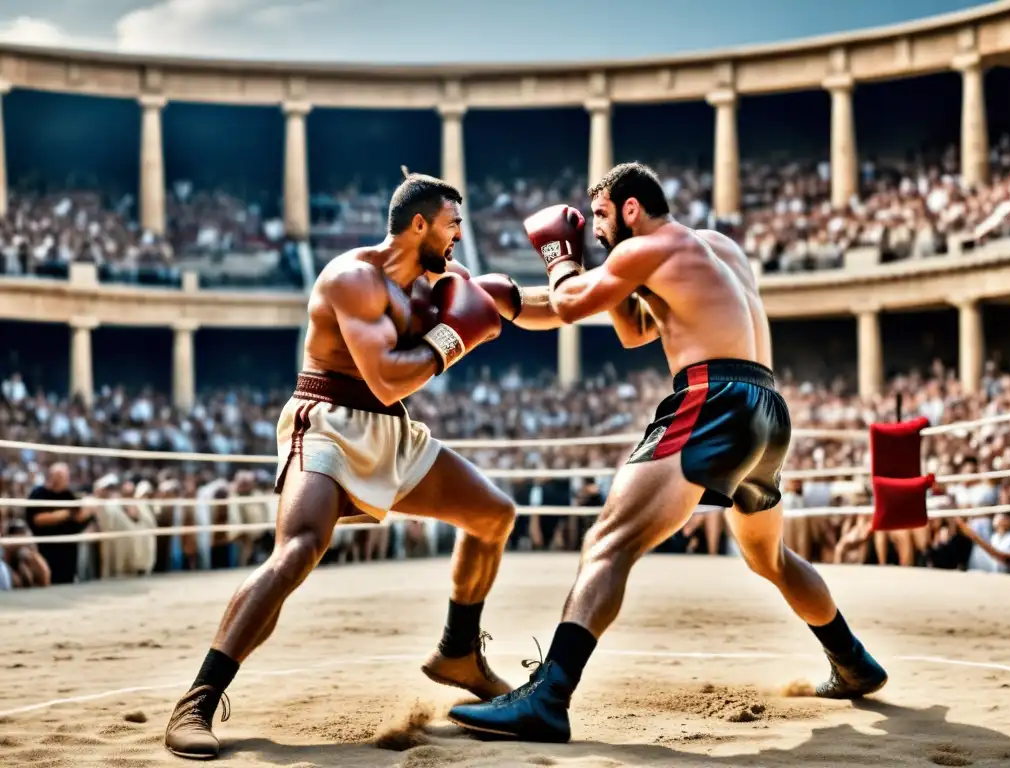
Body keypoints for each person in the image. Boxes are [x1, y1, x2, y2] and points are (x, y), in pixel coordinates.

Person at [448, 162, 888, 743]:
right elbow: (630, 328)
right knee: (769, 558)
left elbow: (573, 302)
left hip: (712, 397)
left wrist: (558, 258)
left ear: (631, 208)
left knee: (608, 541)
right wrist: (498, 299)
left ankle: (548, 697)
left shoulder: (649, 247)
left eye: (601, 216)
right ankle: (853, 660)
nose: (597, 232)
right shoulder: (712, 248)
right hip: (766, 407)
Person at [164, 171, 564, 760]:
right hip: (328, 418)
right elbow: (382, 380)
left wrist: (585, 278)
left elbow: (528, 306)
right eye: (453, 224)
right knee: (298, 549)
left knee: (494, 515)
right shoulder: (352, 280)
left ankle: (458, 652)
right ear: (419, 224)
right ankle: (197, 700)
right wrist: (455, 338)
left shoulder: (443, 282)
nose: (460, 237)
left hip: (392, 431)